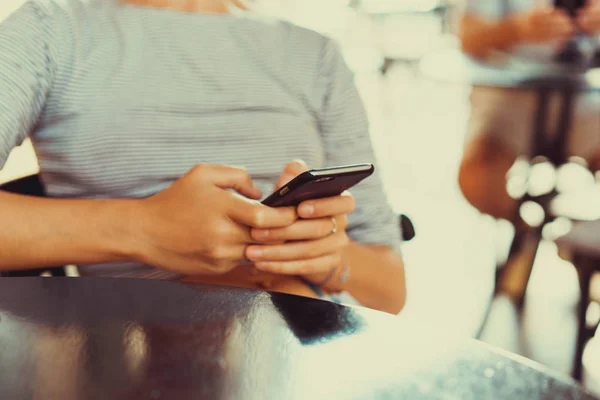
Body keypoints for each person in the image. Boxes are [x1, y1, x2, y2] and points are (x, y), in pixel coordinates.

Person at [0, 0, 406, 313]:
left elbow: (391, 288)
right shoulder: (50, 30)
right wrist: (143, 229)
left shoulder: (315, 56)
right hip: (137, 358)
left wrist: (328, 260)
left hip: (306, 353)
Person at [458, 0, 600, 221]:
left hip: (588, 97)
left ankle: (581, 245)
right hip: (510, 97)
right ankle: (526, 236)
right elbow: (468, 37)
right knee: (478, 179)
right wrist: (517, 29)